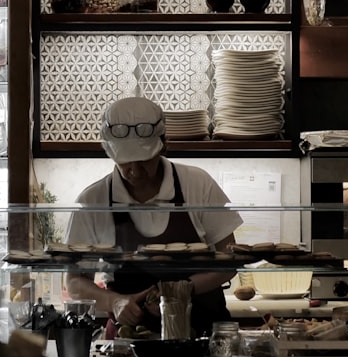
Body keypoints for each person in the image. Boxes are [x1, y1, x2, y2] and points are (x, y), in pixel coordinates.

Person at [64, 96, 243, 337]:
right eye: (125, 162)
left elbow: (229, 259)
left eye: (143, 160)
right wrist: (115, 302)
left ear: (163, 145)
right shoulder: (93, 201)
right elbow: (74, 282)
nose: (134, 171)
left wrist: (182, 290)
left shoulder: (197, 184)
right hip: (128, 338)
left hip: (203, 335)